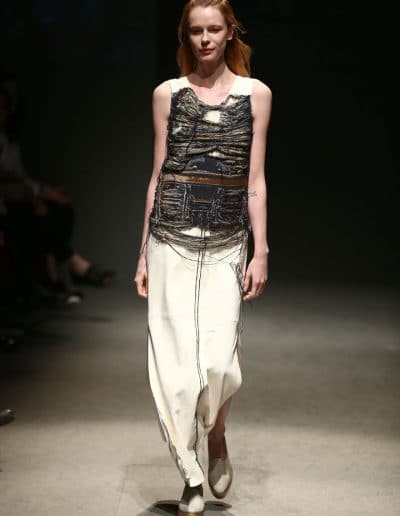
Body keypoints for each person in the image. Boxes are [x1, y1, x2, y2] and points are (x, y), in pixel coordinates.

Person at [134, 1, 271, 515]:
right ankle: (190, 473)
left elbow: (255, 179)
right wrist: (142, 252)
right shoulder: (167, 94)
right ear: (186, 36)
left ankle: (215, 434)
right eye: (196, 31)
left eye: (214, 29)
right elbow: (158, 174)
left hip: (228, 241)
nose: (206, 39)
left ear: (230, 31)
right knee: (172, 367)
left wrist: (261, 248)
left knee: (219, 362)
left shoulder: (256, 95)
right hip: (169, 237)